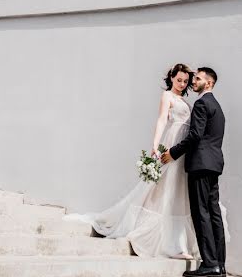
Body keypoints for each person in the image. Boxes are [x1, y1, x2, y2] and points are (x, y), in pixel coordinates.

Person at [67, 63, 204, 258]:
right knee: (163, 188)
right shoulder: (167, 96)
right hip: (172, 142)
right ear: (172, 78)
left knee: (178, 190)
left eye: (185, 81)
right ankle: (157, 235)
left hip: (183, 149)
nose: (182, 84)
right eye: (178, 80)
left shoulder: (185, 100)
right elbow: (161, 120)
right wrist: (155, 145)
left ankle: (177, 240)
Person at [161, 67, 226, 277]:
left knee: (201, 213)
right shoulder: (218, 107)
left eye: (197, 78)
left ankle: (209, 264)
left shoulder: (201, 103)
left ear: (208, 83)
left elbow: (195, 135)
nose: (193, 81)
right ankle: (219, 265)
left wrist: (173, 152)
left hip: (200, 164)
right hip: (214, 164)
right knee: (214, 213)